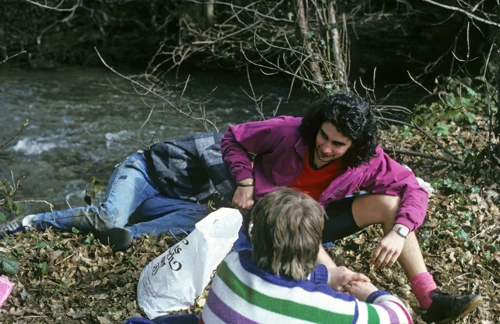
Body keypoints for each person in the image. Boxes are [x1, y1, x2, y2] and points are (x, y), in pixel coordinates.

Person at [220, 92, 483, 323]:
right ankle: (344, 305)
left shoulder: (366, 159)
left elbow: (412, 188)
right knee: (303, 231)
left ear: (354, 145)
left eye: (338, 144)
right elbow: (233, 138)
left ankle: (430, 298)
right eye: (323, 135)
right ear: (317, 125)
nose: (325, 147)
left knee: (389, 203)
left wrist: (399, 231)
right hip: (272, 218)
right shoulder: (288, 131)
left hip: (318, 215)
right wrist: (244, 180)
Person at [200, 188, 413, 323]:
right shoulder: (324, 308)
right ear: (313, 249)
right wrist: (371, 293)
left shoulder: (231, 264)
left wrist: (326, 277)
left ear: (253, 233)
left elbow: (275, 275)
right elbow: (400, 317)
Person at [0, 132, 236, 252]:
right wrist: (245, 187)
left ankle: (128, 234)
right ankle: (32, 222)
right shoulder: (224, 143)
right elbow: (213, 161)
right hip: (142, 172)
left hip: (166, 199)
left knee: (204, 215)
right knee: (108, 217)